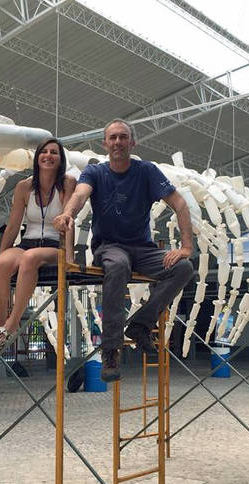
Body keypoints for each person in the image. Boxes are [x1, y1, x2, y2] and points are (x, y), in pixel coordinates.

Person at [53, 119, 194, 381]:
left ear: (132, 142)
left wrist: (186, 247)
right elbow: (81, 194)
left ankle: (140, 324)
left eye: (123, 137)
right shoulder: (95, 172)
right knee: (118, 266)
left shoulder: (147, 171)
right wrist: (68, 214)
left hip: (142, 249)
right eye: (113, 138)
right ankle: (111, 350)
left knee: (184, 267)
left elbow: (181, 204)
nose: (118, 142)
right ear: (105, 143)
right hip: (110, 247)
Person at [0, 138, 75, 359]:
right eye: (44, 152)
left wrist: (69, 257)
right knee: (3, 264)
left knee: (30, 258)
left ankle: (10, 328)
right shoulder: (23, 187)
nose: (48, 155)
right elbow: (13, 226)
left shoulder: (67, 183)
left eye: (54, 152)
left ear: (61, 159)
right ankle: (0, 330)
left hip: (54, 245)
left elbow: (69, 222)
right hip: (28, 242)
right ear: (37, 157)